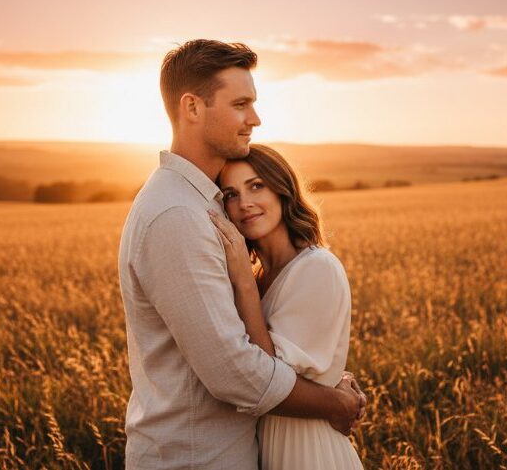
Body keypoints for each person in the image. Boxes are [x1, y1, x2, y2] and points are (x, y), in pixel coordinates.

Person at [117, 39, 366, 470]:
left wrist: (322, 379)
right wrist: (331, 401)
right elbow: (233, 372)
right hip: (195, 459)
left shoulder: (202, 205)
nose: (255, 118)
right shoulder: (177, 215)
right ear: (192, 107)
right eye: (240, 104)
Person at [211, 144, 364, 469]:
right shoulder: (258, 276)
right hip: (265, 447)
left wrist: (242, 281)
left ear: (283, 189)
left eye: (256, 186)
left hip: (309, 450)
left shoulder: (316, 267)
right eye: (231, 194)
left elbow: (265, 375)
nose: (245, 203)